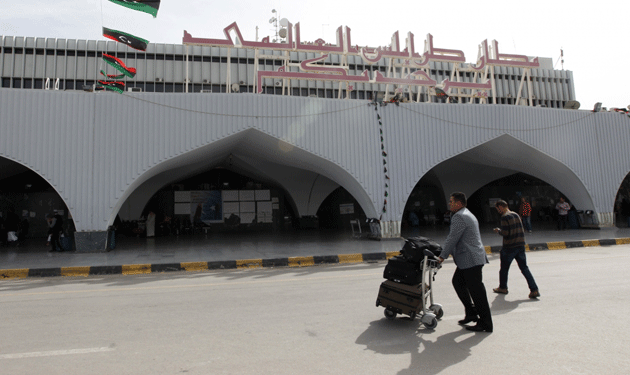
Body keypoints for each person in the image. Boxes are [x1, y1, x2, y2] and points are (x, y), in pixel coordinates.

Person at [438, 192, 493, 333]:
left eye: (451, 201)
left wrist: (442, 256)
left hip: (471, 259)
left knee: (477, 292)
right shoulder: (466, 213)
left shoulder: (459, 216)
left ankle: (486, 323)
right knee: (458, 282)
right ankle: (471, 312)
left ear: (459, 203)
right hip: (469, 259)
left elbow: (452, 238)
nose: (449, 204)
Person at [492, 200, 540, 299]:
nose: (498, 211)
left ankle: (503, 287)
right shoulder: (516, 214)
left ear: (501, 207)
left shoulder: (505, 217)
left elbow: (506, 233)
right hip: (520, 245)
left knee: (504, 269)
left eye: (497, 209)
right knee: (524, 268)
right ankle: (534, 289)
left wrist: (498, 231)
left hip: (509, 247)